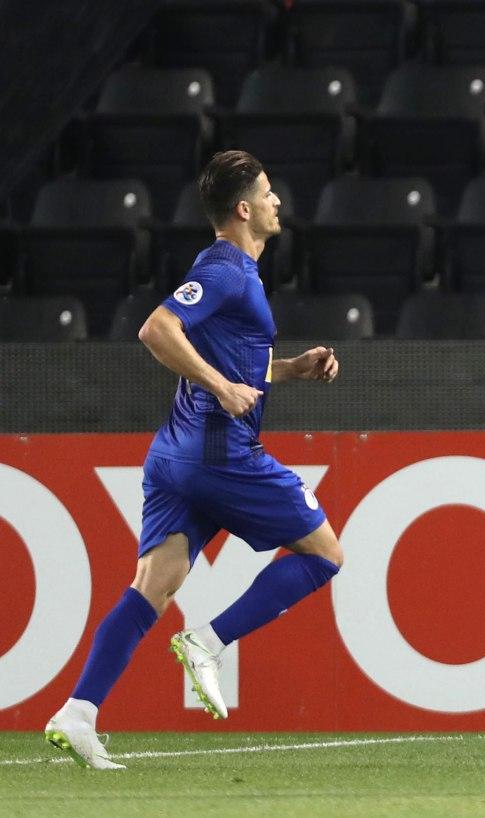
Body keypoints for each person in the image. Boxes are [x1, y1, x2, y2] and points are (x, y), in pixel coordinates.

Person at [44, 151, 345, 770]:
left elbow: (233, 361)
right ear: (243, 209)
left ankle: (78, 712)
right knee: (324, 555)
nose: (277, 201)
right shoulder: (226, 269)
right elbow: (156, 329)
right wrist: (221, 386)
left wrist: (289, 369)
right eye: (267, 192)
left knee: (150, 590)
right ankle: (208, 642)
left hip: (175, 453)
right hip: (220, 454)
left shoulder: (236, 274)